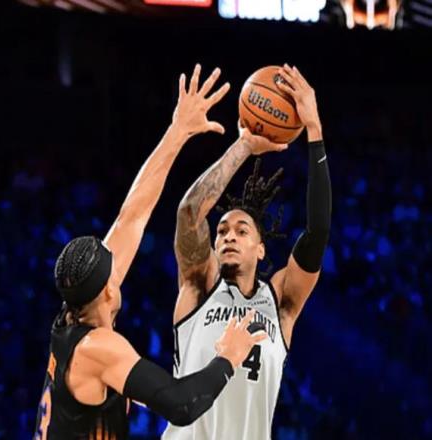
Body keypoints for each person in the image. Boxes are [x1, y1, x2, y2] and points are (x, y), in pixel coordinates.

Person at [33, 64, 266, 440]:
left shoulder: (74, 312)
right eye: (113, 270)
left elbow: (133, 216)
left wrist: (179, 130)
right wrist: (229, 356)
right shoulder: (98, 348)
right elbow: (182, 404)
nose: (118, 266)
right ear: (108, 290)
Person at [162, 63, 332, 440]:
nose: (228, 237)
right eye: (222, 231)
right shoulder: (199, 287)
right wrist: (244, 146)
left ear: (260, 249)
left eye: (241, 231)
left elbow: (318, 232)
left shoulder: (281, 303)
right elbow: (190, 213)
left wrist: (314, 129)